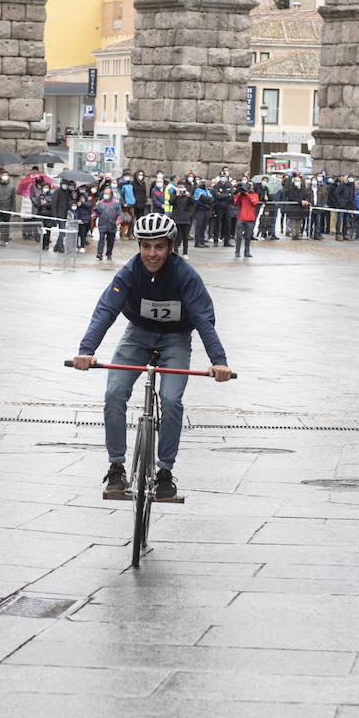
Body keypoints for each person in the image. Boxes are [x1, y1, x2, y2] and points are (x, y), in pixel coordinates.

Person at [73, 213, 233, 502]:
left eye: (158, 247)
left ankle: (165, 472)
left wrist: (218, 360)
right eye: (145, 246)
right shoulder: (130, 272)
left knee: (171, 399)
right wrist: (86, 351)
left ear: (171, 248)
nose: (151, 253)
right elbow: (106, 310)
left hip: (176, 338)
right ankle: (116, 466)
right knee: (113, 392)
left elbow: (203, 319)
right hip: (138, 334)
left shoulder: (185, 276)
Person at [93, 187, 121, 261]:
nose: (105, 195)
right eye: (105, 193)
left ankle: (109, 253)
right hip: (102, 224)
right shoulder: (100, 203)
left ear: (111, 195)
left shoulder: (115, 204)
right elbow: (95, 211)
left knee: (110, 240)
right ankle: (99, 253)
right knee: (101, 239)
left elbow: (119, 214)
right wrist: (94, 215)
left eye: (107, 194)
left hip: (112, 225)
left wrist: (118, 220)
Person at [234, 180, 258, 258]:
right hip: (241, 218)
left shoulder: (255, 195)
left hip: (250, 219)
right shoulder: (241, 195)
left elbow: (254, 203)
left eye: (250, 185)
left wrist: (248, 194)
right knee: (239, 236)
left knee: (248, 237)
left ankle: (247, 252)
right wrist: (239, 194)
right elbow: (235, 202)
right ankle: (237, 252)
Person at [0, 169, 16, 245]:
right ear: (0, 176)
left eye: (6, 175)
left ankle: (6, 240)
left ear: (8, 176)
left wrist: (13, 210)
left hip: (7, 208)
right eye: (3, 175)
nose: (5, 177)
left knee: (6, 225)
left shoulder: (11, 187)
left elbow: (13, 200)